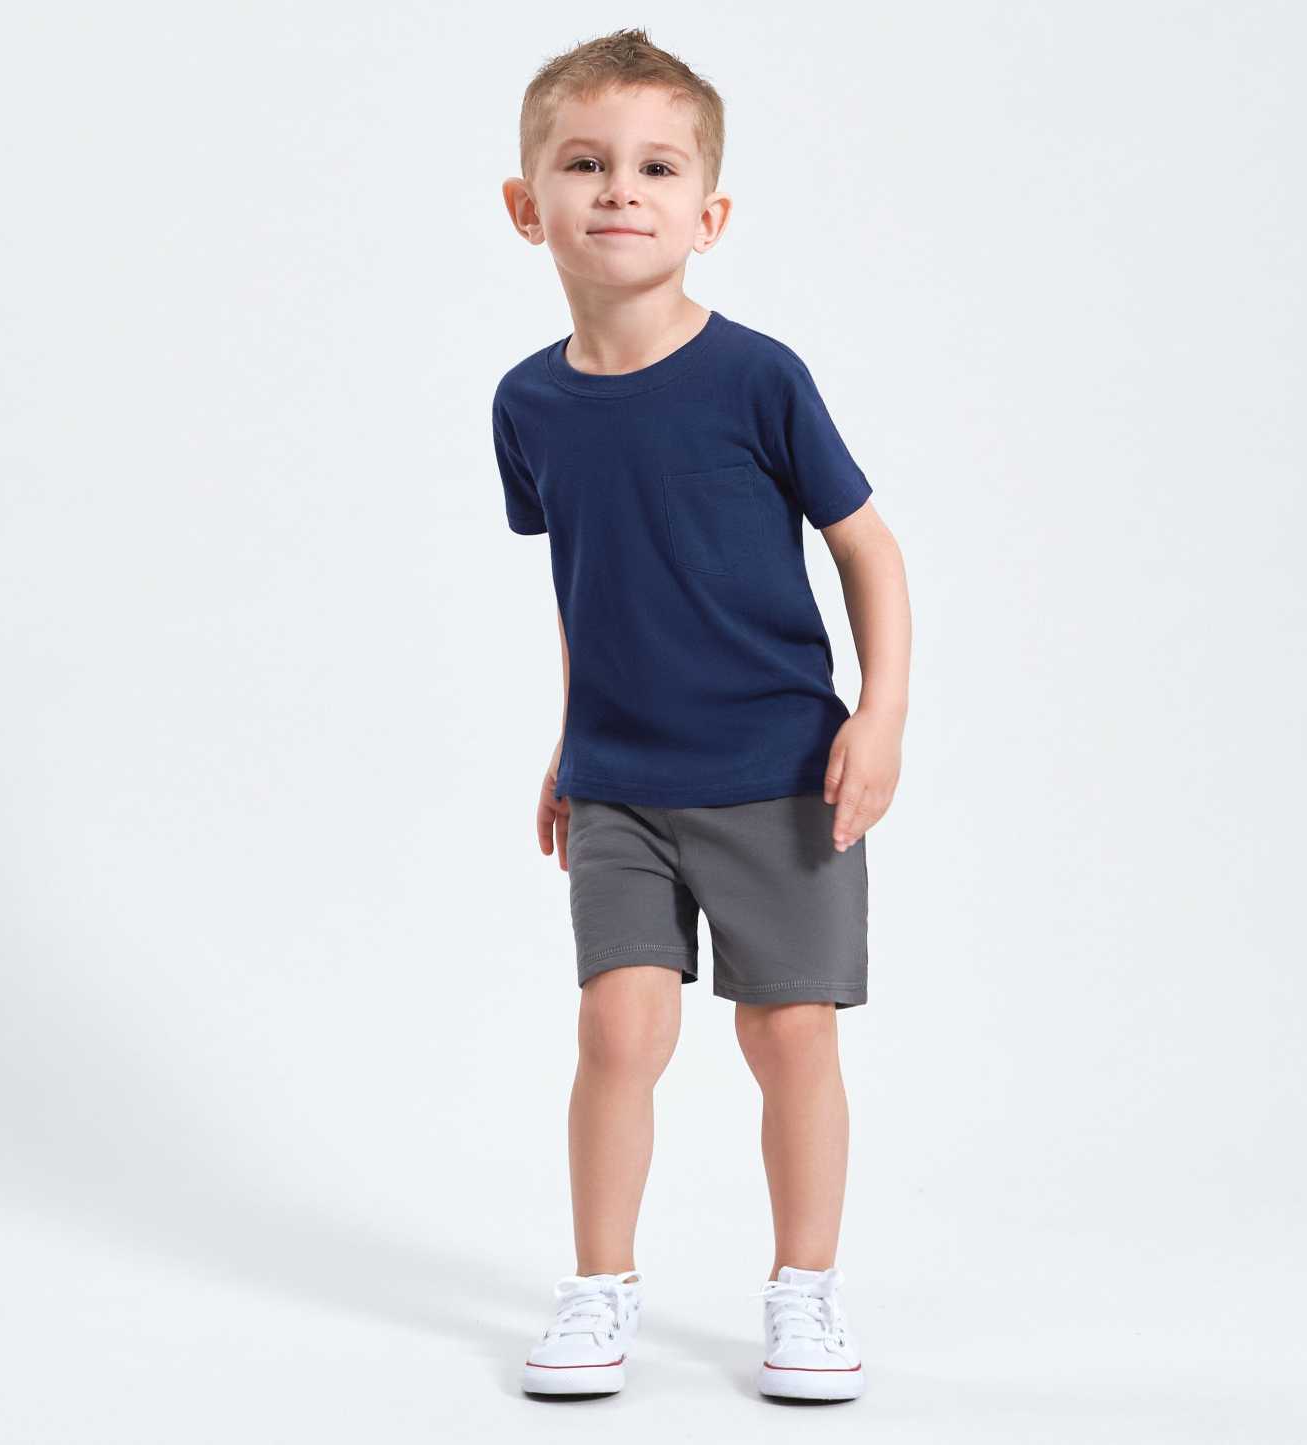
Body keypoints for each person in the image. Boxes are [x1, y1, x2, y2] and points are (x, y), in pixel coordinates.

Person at [493, 28, 912, 1403]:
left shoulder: (756, 377)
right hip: (620, 779)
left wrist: (880, 717)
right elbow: (585, 584)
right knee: (617, 1031)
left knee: (788, 1034)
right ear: (527, 205)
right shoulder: (527, 403)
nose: (620, 188)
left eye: (656, 167)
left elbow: (868, 549)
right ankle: (596, 1289)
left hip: (780, 773)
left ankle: (805, 1290)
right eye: (585, 162)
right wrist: (568, 741)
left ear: (707, 215)